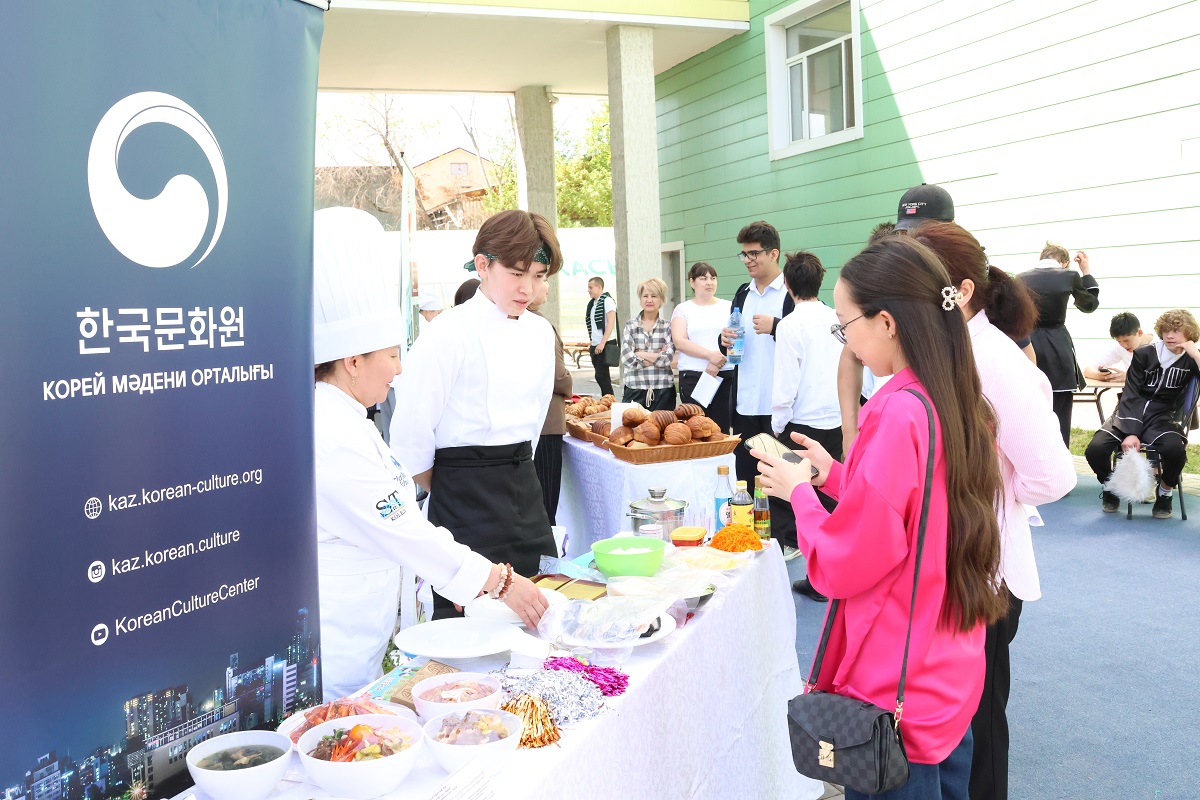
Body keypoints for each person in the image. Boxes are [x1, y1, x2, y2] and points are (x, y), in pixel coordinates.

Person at [754, 235, 1007, 800]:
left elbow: (847, 563)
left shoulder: (895, 408)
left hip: (897, 674)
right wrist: (833, 475)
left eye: (846, 325)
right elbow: (922, 509)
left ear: (887, 323)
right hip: (949, 661)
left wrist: (798, 494)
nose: (846, 339)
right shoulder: (956, 395)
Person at [311, 207, 547, 699]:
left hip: (369, 619)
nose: (400, 370)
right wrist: (497, 581)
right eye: (393, 355)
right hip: (338, 627)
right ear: (353, 361)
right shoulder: (332, 434)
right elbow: (404, 524)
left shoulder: (350, 418)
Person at [910, 221, 1076, 800]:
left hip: (983, 575)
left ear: (957, 290)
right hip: (948, 569)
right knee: (950, 730)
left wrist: (988, 494)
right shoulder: (950, 348)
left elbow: (1053, 477)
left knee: (977, 731)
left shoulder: (996, 362)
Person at [390, 209, 562, 618]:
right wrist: (454, 483)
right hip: (461, 501)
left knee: (543, 611)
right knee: (468, 629)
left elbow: (536, 419)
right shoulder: (447, 333)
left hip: (525, 489)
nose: (528, 288)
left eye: (539, 276)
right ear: (483, 265)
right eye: (517, 274)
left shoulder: (539, 332)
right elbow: (410, 438)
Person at [1084, 309, 1200, 517]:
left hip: (1161, 418)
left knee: (1176, 452)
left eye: (1176, 330)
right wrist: (1131, 432)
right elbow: (1132, 393)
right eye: (1165, 330)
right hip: (1127, 412)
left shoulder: (1191, 361)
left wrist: (1195, 353)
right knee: (1095, 450)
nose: (1170, 335)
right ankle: (1111, 487)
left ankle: (1164, 491)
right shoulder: (1145, 354)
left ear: (1189, 333)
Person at [771, 251, 842, 577]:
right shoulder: (837, 318)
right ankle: (831, 562)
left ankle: (793, 549)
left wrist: (778, 423)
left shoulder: (789, 325)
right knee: (830, 493)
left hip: (801, 423)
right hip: (838, 418)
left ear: (787, 284)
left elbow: (786, 380)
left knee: (788, 489)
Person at [721, 220, 794, 483]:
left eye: (754, 254)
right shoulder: (743, 294)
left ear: (773, 253)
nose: (747, 260)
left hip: (778, 407)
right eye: (744, 254)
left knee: (779, 483)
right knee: (746, 481)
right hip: (745, 404)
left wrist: (776, 326)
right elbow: (731, 341)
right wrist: (724, 339)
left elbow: (805, 339)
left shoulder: (791, 292)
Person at [1017, 243, 1100, 445]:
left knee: (1029, 409)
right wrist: (1086, 271)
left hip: (1026, 344)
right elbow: (1089, 305)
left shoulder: (1020, 278)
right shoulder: (1069, 275)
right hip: (1057, 345)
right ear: (1064, 263)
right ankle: (1060, 465)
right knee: (1061, 411)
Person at [671, 262, 733, 432]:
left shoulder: (729, 306)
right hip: (694, 376)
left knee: (721, 430)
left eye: (713, 278)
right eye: (703, 278)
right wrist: (709, 356)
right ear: (692, 282)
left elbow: (738, 337)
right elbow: (680, 341)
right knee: (695, 429)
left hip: (724, 375)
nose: (709, 282)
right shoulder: (683, 309)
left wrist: (717, 362)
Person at [530, 277, 571, 526]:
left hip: (539, 420)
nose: (547, 286)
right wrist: (568, 384)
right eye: (543, 279)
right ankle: (547, 562)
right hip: (547, 422)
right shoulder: (538, 323)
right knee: (546, 502)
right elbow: (557, 375)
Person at [620, 277, 676, 410]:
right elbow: (626, 357)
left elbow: (667, 359)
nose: (649, 300)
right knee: (631, 429)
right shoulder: (631, 326)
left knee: (662, 429)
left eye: (654, 296)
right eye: (645, 296)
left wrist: (639, 353)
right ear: (640, 299)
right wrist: (657, 356)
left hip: (663, 390)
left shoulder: (668, 327)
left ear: (662, 299)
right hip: (635, 388)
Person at [1082, 311, 1155, 383]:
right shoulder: (1121, 348)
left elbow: (1162, 378)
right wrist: (1100, 375)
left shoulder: (1161, 345)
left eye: (1127, 340)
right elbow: (1088, 370)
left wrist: (1129, 376)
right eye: (1119, 341)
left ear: (1139, 332)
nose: (1124, 345)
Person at [585, 276, 618, 396]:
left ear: (599, 287)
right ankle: (608, 400)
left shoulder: (607, 301)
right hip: (595, 344)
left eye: (590, 287)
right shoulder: (592, 304)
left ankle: (609, 400)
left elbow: (611, 322)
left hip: (605, 343)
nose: (588, 290)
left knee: (600, 375)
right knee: (603, 376)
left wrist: (602, 343)